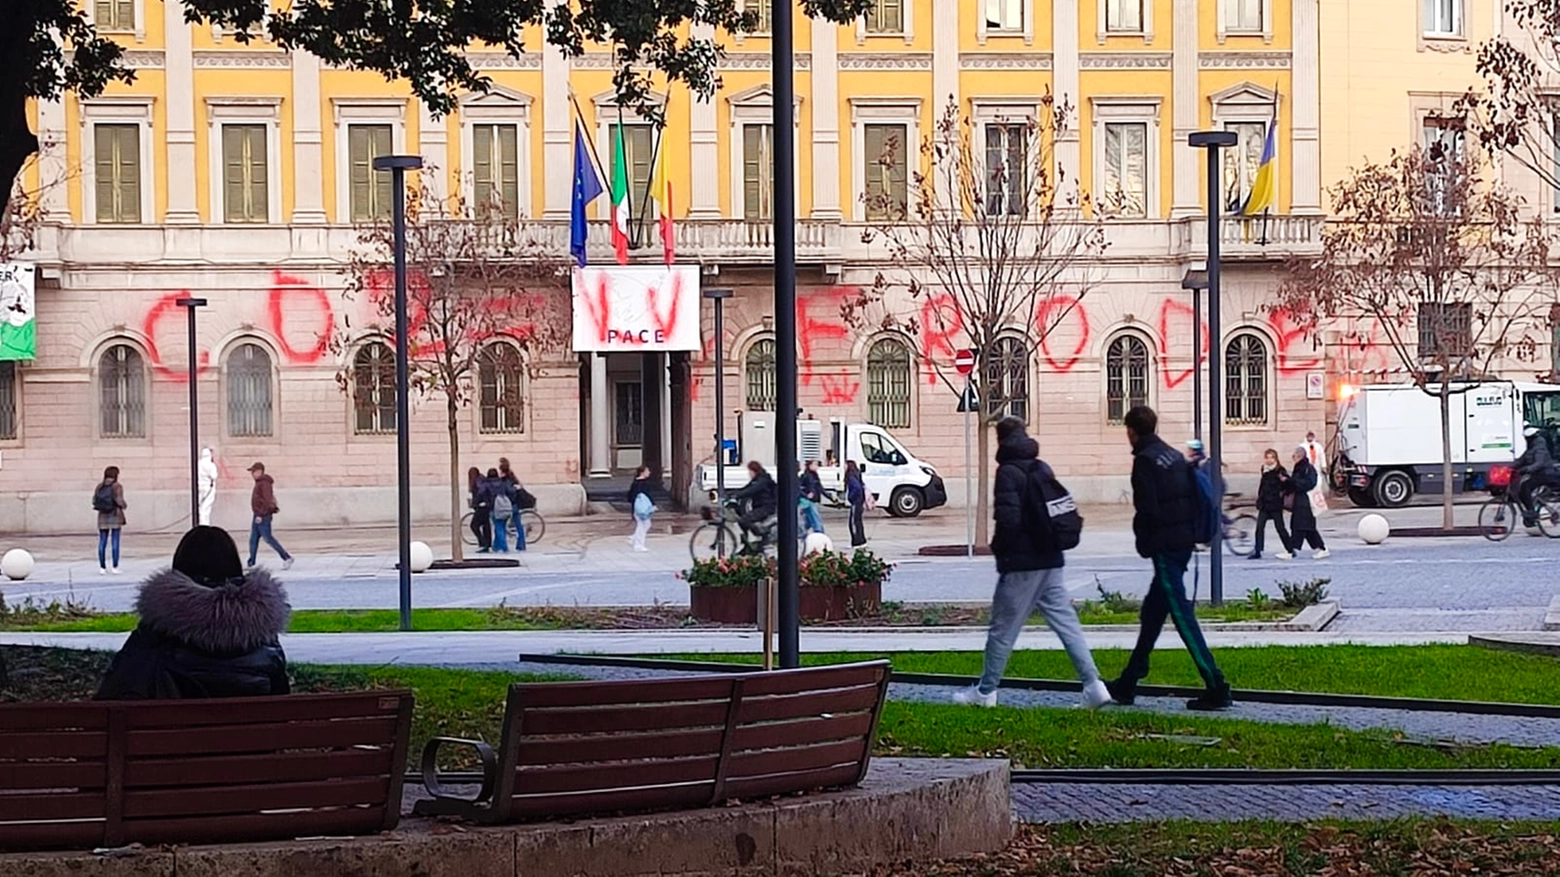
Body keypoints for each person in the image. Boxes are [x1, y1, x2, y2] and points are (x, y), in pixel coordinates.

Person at [954, 417, 1111, 710]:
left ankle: (986, 691)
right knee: (1067, 625)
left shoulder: (1008, 473)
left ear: (1000, 440)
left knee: (1002, 629)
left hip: (1022, 564)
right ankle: (1094, 685)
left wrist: (1000, 550)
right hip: (1051, 560)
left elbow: (1009, 520)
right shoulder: (1042, 467)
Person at [1105, 405, 1231, 712]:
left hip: (1166, 546)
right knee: (1153, 612)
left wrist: (1146, 543)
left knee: (1181, 614)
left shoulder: (1146, 462)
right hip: (1183, 541)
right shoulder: (1172, 455)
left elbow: (1148, 511)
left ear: (1131, 431)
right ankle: (1129, 680)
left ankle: (1216, 684)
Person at [96, 525, 290, 700]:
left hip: (171, 738)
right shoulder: (264, 637)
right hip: (252, 739)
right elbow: (281, 699)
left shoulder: (155, 634)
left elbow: (113, 692)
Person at [246, 462, 293, 571]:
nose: (252, 474)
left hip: (262, 516)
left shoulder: (264, 484)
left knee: (268, 538)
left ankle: (286, 557)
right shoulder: (259, 483)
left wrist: (261, 515)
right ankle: (251, 562)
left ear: (259, 471)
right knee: (253, 539)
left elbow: (267, 501)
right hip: (258, 515)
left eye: (253, 472)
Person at [1250, 449, 1295, 561]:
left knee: (1280, 528)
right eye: (1267, 457)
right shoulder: (1264, 469)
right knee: (1259, 528)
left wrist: (1281, 493)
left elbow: (1288, 485)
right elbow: (1263, 487)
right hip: (1265, 504)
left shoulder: (1280, 470)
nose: (1269, 460)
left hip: (1275, 504)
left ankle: (1290, 549)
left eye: (1271, 457)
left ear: (1275, 459)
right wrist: (1259, 499)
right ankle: (1258, 551)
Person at [1288, 446, 1330, 559]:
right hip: (1300, 500)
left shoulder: (1307, 468)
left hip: (1306, 500)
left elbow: (1310, 483)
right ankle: (1320, 548)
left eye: (1294, 456)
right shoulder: (1299, 467)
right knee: (1305, 528)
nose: (1293, 458)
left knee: (1302, 526)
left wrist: (1294, 482)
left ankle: (1292, 550)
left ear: (1300, 456)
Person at [1514, 426, 1560, 525]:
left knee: (1525, 487)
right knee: (1522, 490)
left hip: (1545, 473)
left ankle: (1532, 512)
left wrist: (1527, 469)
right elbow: (1522, 459)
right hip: (1538, 473)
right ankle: (1530, 512)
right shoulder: (1531, 447)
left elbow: (1539, 463)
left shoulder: (1540, 447)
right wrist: (1511, 467)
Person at [730, 461, 778, 543]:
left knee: (743, 520)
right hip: (760, 506)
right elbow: (745, 489)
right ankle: (748, 544)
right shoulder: (756, 480)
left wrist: (737, 495)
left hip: (766, 507)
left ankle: (762, 535)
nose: (749, 473)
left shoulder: (762, 480)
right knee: (744, 520)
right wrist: (731, 493)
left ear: (754, 471)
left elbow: (751, 490)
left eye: (750, 471)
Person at [93, 465, 127, 575]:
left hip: (102, 517)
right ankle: (115, 566)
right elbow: (119, 501)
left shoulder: (99, 486)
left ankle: (102, 567)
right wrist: (124, 505)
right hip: (114, 516)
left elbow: (94, 500)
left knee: (102, 542)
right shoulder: (117, 486)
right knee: (115, 542)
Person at [498, 457, 528, 552]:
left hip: (507, 505)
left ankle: (501, 546)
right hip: (515, 504)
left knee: (501, 524)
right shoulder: (512, 477)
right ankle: (521, 544)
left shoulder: (504, 480)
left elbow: (506, 492)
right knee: (518, 525)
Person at [627, 465, 656, 552]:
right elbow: (647, 496)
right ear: (642, 472)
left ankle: (634, 539)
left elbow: (630, 496)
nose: (649, 473)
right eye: (647, 471)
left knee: (644, 524)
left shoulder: (635, 483)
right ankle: (638, 544)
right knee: (643, 525)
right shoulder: (643, 484)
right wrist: (653, 505)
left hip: (637, 508)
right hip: (642, 508)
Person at [487, 468, 514, 553]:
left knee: (498, 527)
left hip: (494, 509)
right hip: (505, 508)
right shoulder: (503, 483)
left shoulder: (487, 485)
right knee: (501, 527)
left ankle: (504, 547)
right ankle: (496, 546)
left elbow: (482, 494)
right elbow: (511, 491)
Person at [468, 466, 493, 552]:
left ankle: (483, 543)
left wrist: (475, 502)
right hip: (486, 506)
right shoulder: (482, 479)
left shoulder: (478, 481)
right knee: (486, 525)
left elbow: (480, 493)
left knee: (474, 525)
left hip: (482, 506)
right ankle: (487, 544)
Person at [845, 460, 868, 548]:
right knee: (858, 521)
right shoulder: (857, 474)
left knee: (853, 522)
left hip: (856, 501)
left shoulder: (850, 476)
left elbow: (857, 488)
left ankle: (856, 541)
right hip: (860, 501)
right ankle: (862, 540)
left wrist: (851, 497)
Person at [799, 460, 826, 535]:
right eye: (815, 464)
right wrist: (806, 495)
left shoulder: (815, 476)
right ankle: (819, 533)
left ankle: (800, 532)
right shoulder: (805, 476)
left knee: (809, 520)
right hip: (809, 501)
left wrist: (831, 498)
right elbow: (797, 488)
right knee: (815, 518)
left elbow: (820, 488)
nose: (817, 466)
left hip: (814, 500)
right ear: (809, 465)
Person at [197, 447, 218, 526]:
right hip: (209, 489)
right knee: (206, 508)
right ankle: (205, 524)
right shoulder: (211, 465)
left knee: (200, 507)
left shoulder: (198, 464)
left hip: (199, 488)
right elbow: (214, 476)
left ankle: (200, 523)